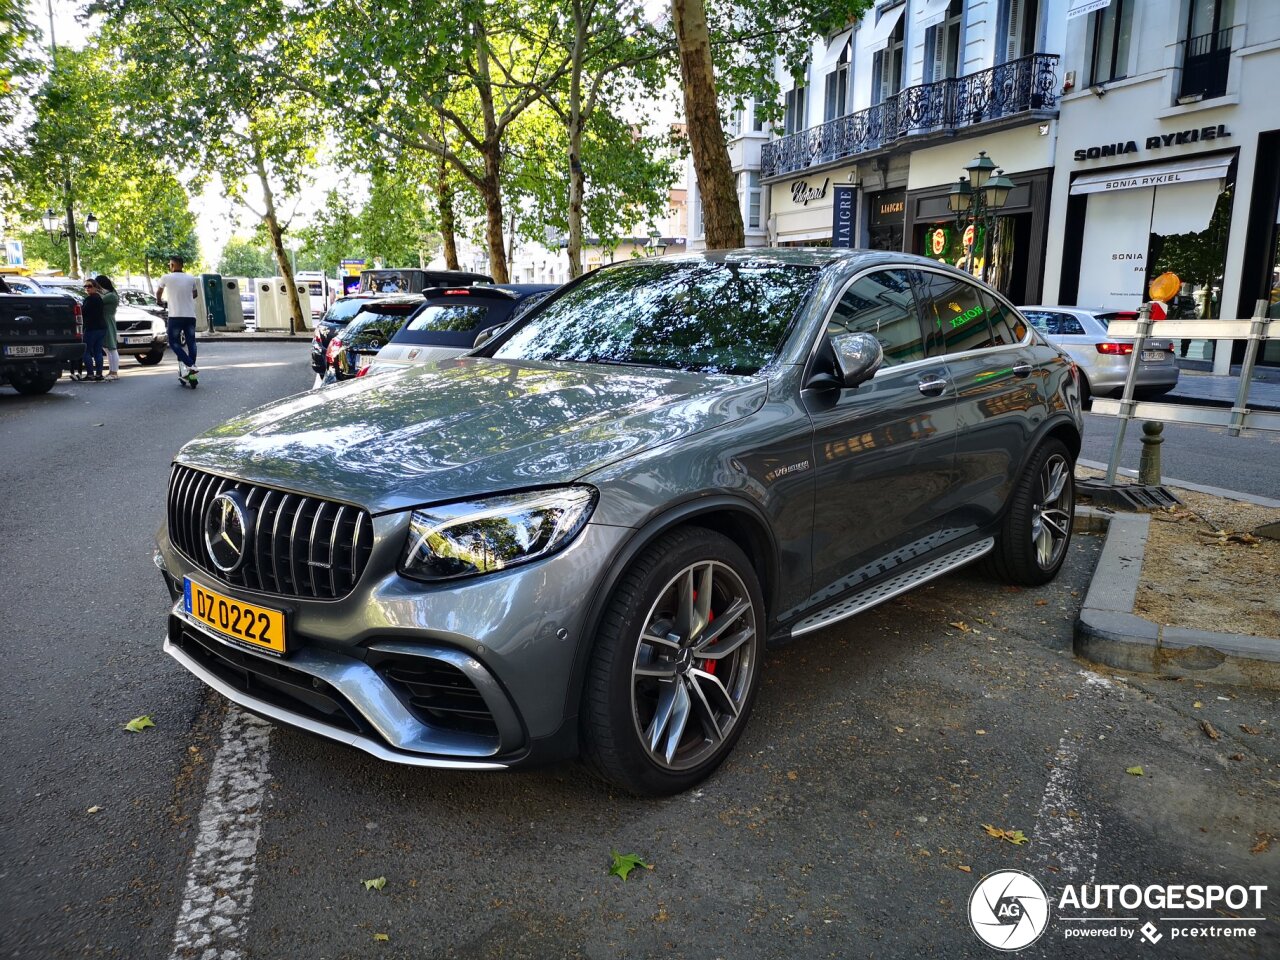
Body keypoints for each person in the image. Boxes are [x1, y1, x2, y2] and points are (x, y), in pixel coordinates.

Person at [156, 255, 200, 386]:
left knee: (174, 342)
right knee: (191, 342)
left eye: (170, 264)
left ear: (173, 265)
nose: (169, 267)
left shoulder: (166, 277)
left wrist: (159, 301)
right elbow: (195, 294)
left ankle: (190, 365)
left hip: (175, 316)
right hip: (190, 315)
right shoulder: (191, 278)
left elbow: (158, 292)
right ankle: (189, 374)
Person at [80, 278, 107, 381]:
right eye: (85, 286)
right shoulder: (99, 298)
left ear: (95, 287)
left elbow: (83, 312)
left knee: (86, 351)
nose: (87, 288)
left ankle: (90, 374)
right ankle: (99, 374)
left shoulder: (90, 299)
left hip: (92, 328)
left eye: (90, 286)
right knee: (97, 351)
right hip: (101, 327)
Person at [95, 274, 121, 381]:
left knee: (111, 347)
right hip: (107, 319)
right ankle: (112, 371)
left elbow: (99, 301)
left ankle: (114, 372)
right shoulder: (111, 293)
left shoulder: (110, 295)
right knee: (107, 348)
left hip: (107, 320)